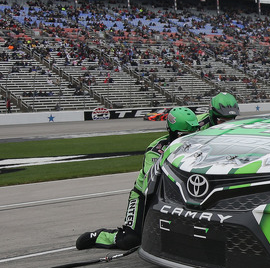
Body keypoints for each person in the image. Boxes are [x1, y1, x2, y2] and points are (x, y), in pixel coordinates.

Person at [75, 107, 200, 250]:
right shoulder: (156, 151)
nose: (188, 139)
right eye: (183, 135)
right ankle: (98, 236)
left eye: (193, 135)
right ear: (172, 132)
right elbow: (153, 182)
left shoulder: (197, 147)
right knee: (130, 239)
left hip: (177, 197)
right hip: (144, 195)